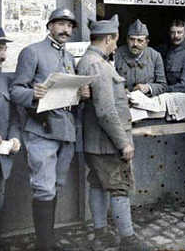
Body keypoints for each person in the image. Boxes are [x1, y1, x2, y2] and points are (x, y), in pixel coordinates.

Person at [10, 7, 86, 251]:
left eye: (69, 25)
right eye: (60, 24)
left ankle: (48, 241)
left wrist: (82, 94)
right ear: (50, 26)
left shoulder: (68, 57)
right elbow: (15, 91)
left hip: (65, 129)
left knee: (54, 186)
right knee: (43, 187)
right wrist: (33, 92)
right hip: (41, 129)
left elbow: (68, 94)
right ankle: (45, 245)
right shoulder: (32, 52)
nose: (66, 29)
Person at [77, 15, 152, 251]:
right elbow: (106, 111)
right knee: (119, 187)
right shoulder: (98, 64)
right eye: (114, 40)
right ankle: (127, 240)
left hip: (95, 142)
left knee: (98, 184)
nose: (114, 45)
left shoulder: (89, 60)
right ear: (109, 38)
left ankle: (101, 234)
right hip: (108, 143)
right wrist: (123, 143)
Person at [0, 28, 21, 250]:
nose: (2, 54)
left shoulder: (4, 80)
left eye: (3, 48)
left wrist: (14, 137)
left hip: (1, 161)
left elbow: (14, 116)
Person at [115, 19, 167, 96]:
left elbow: (163, 85)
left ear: (146, 42)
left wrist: (148, 87)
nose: (135, 44)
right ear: (127, 39)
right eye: (132, 39)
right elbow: (108, 82)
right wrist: (120, 90)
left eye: (140, 40)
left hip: (146, 101)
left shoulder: (155, 56)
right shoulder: (116, 54)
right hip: (122, 99)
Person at [158, 19, 185, 93]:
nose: (176, 36)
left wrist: (162, 89)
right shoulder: (166, 49)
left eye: (179, 32)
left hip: (180, 94)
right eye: (173, 32)